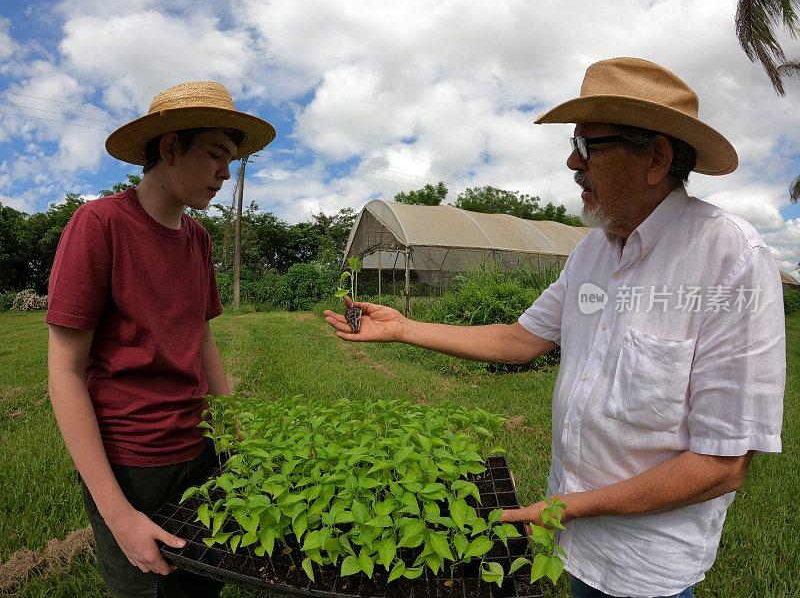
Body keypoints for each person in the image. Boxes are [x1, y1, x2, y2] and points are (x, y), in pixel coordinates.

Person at [325, 57, 785, 598]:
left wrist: (568, 508)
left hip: (645, 564)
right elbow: (522, 339)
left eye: (590, 146)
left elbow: (721, 463)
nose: (572, 161)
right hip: (572, 538)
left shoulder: (729, 257)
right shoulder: (593, 249)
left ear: (657, 158)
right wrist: (404, 328)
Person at [46, 81, 275, 597]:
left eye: (232, 160)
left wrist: (234, 440)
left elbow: (201, 339)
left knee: (204, 579)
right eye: (217, 155)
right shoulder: (98, 225)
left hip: (200, 448)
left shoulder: (197, 238)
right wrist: (119, 514)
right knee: (143, 585)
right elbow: (64, 370)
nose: (225, 173)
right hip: (133, 462)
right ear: (170, 147)